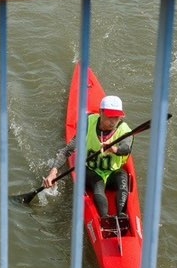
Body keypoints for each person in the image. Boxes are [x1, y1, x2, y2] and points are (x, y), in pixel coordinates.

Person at [46, 95, 137, 231]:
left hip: (112, 172)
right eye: (110, 116)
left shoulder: (125, 130)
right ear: (100, 112)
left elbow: (126, 149)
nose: (113, 121)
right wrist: (53, 172)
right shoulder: (88, 124)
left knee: (122, 176)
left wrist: (115, 149)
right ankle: (105, 219)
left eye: (117, 117)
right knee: (97, 182)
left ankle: (122, 216)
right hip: (91, 172)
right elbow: (67, 151)